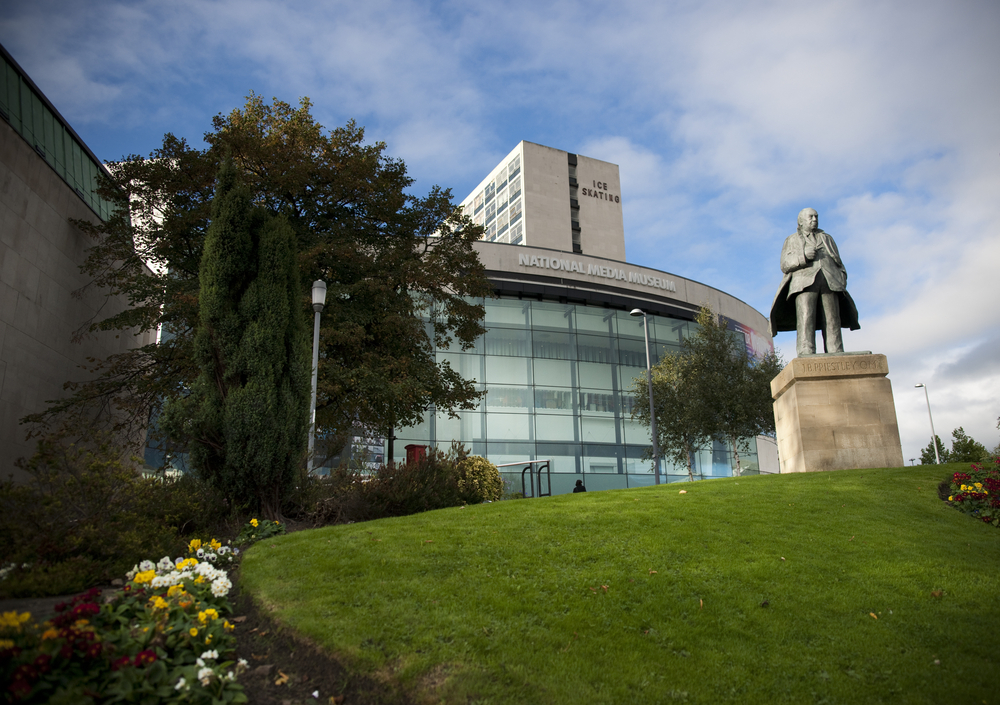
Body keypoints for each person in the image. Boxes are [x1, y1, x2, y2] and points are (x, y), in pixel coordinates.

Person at [769, 208, 859, 357]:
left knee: (832, 319)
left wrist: (841, 278)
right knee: (806, 317)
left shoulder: (827, 238)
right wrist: (803, 257)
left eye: (816, 217)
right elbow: (784, 264)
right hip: (804, 283)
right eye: (810, 217)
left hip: (830, 282)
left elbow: (838, 262)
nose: (814, 220)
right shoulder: (792, 239)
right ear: (801, 221)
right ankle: (806, 352)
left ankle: (835, 351)